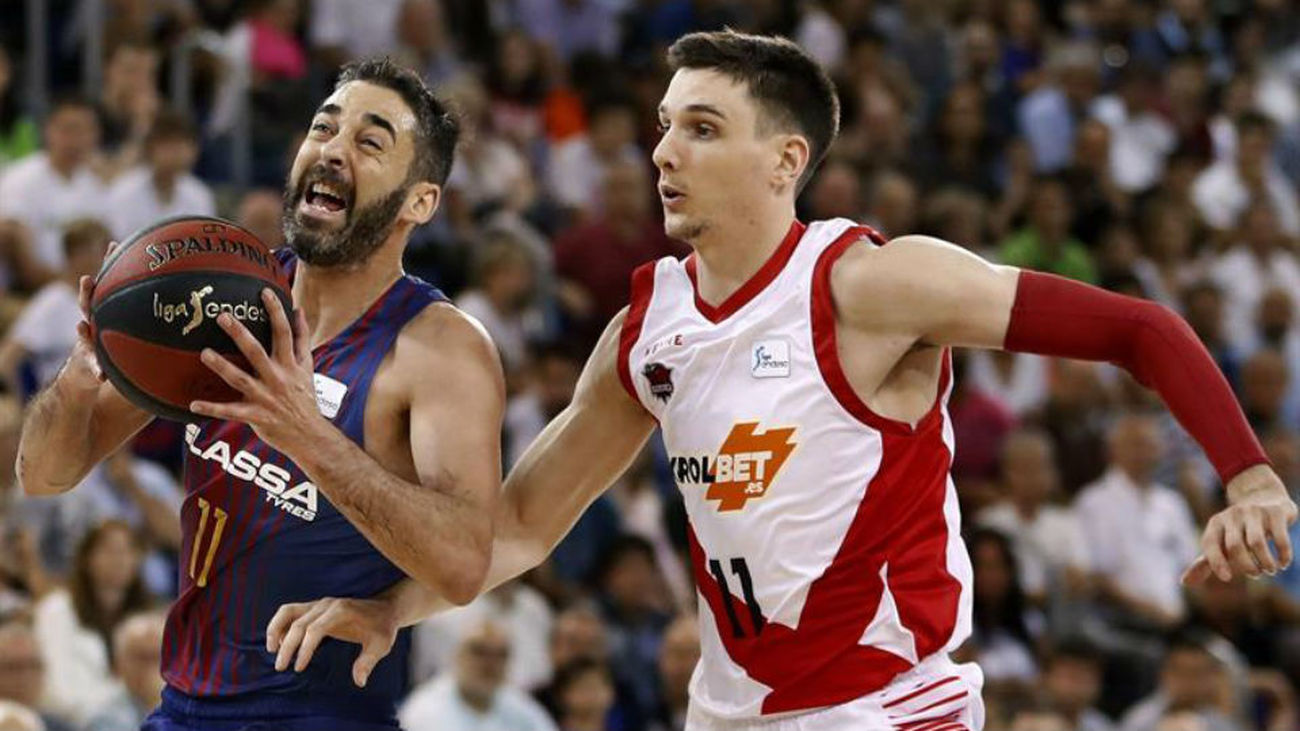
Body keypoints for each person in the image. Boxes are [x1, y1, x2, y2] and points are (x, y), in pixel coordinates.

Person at [271, 31, 1296, 729]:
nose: (666, 148)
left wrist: (1246, 476)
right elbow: (528, 522)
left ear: (784, 159)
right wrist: (388, 609)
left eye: (703, 128)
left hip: (887, 704)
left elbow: (1140, 327)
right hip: (728, 706)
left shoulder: (873, 285)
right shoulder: (646, 329)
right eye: (666, 123)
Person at [15, 58, 504, 729]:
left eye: (369, 141)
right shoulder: (220, 296)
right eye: (323, 128)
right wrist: (76, 383)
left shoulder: (439, 350)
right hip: (182, 707)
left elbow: (462, 563)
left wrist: (306, 434)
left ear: (420, 200)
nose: (332, 150)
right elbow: (43, 474)